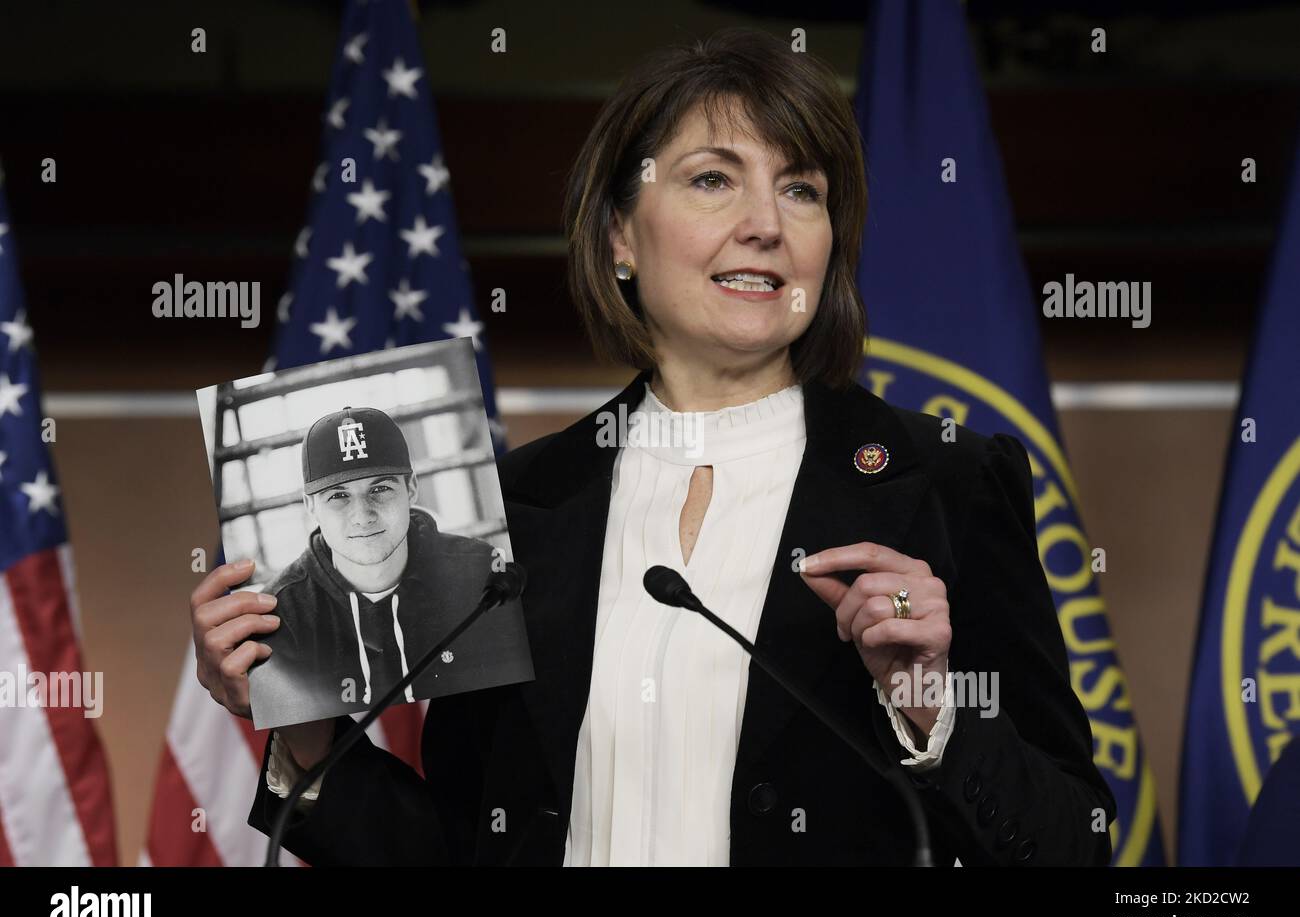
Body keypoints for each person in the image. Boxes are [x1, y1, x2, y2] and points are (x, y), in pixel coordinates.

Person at [191, 27, 1115, 865]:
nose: (767, 221)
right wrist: (304, 728)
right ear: (619, 235)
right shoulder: (518, 506)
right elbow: (462, 851)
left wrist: (935, 709)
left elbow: (1075, 843)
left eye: (803, 188)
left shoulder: (946, 484)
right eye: (714, 178)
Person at [234, 405, 531, 732]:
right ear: (310, 505)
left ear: (411, 488)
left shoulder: (484, 576)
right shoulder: (279, 618)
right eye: (339, 495)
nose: (362, 515)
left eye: (380, 489)